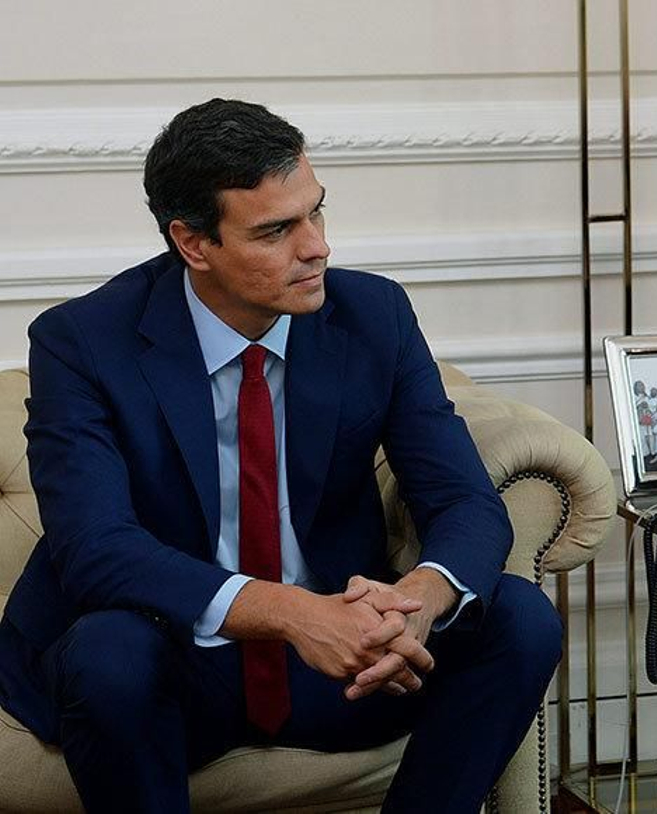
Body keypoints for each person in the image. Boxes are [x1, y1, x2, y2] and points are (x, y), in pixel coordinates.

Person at [0, 99, 563, 813]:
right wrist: (294, 613)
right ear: (193, 243)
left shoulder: (373, 315)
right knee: (111, 654)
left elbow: (462, 500)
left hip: (341, 664)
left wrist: (419, 600)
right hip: (174, 658)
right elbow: (95, 548)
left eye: (317, 214)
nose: (317, 247)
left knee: (520, 618)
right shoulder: (83, 342)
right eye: (277, 230)